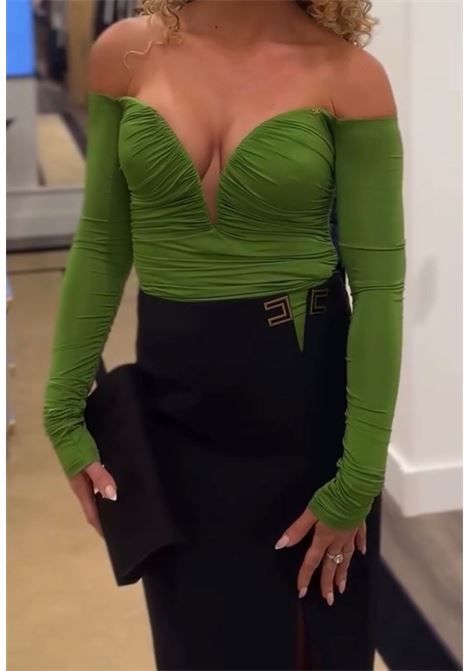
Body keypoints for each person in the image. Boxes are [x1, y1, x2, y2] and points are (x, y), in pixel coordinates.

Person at [43, 0, 406, 668]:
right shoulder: (125, 54)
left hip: (303, 414)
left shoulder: (350, 76)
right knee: (193, 643)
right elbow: (101, 241)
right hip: (172, 410)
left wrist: (358, 478)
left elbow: (380, 288)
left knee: (308, 646)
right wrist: (61, 409)